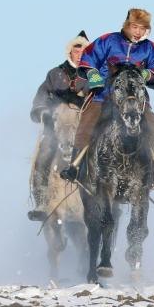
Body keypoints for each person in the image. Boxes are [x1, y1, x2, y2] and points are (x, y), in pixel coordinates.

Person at [59, 8, 154, 187]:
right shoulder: (108, 41)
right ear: (127, 26)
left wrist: (147, 74)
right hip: (103, 96)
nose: (138, 32)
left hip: (134, 100)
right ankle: (75, 167)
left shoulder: (150, 49)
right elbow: (89, 57)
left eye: (142, 28)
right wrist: (94, 75)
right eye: (134, 27)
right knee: (87, 123)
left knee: (152, 124)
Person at [27, 30, 89, 221]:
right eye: (76, 52)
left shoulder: (94, 76)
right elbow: (42, 96)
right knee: (45, 151)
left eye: (83, 52)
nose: (79, 56)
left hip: (84, 125)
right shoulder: (55, 74)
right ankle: (42, 200)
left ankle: (108, 197)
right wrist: (43, 112)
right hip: (57, 125)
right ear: (70, 52)